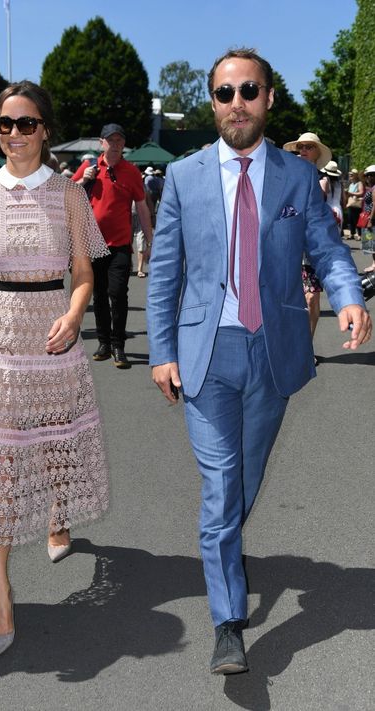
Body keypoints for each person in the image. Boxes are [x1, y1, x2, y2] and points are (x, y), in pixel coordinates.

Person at [147, 48, 371, 676]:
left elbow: (327, 250)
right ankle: (228, 622)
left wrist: (350, 297)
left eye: (248, 90)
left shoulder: (297, 178)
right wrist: (161, 351)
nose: (236, 103)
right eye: (224, 93)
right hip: (206, 354)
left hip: (271, 354)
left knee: (241, 484)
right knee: (222, 489)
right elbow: (164, 273)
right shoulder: (185, 177)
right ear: (212, 102)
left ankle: (222, 544)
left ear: (268, 97)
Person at [0, 80, 109, 655]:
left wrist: (73, 313)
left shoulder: (68, 193)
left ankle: (57, 516)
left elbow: (85, 274)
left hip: (53, 331)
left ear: (45, 129)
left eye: (28, 123)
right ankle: (0, 595)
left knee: (52, 442)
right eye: (5, 125)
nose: (16, 135)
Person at [72, 124, 153, 369]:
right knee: (98, 295)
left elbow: (141, 206)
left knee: (117, 294)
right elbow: (68, 197)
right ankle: (104, 342)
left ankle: (118, 345)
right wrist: (84, 181)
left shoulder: (131, 172)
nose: (115, 145)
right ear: (102, 142)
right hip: (93, 244)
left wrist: (150, 240)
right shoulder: (89, 167)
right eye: (111, 140)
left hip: (119, 244)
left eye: (119, 140)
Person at [282, 132, 332, 351]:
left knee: (312, 298)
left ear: (317, 153)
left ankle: (307, 346)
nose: (303, 150)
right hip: (290, 243)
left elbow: (314, 207)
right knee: (294, 298)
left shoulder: (321, 179)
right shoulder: (288, 176)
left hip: (313, 245)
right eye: (300, 146)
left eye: (309, 147)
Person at [320, 160, 346, 233]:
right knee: (336, 234)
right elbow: (344, 200)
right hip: (338, 209)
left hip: (327, 208)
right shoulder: (340, 184)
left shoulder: (324, 181)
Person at [360, 165, 375, 273]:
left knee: (372, 242)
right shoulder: (372, 187)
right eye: (367, 175)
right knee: (370, 242)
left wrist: (370, 220)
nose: (368, 178)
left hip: (371, 218)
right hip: (368, 216)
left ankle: (374, 265)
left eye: (371, 175)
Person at [345, 168, 364, 240]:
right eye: (349, 174)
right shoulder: (351, 184)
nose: (350, 176)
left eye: (351, 175)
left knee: (357, 219)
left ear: (355, 176)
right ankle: (352, 234)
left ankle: (359, 234)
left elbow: (361, 192)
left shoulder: (359, 183)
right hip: (350, 203)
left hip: (356, 203)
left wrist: (350, 193)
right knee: (350, 219)